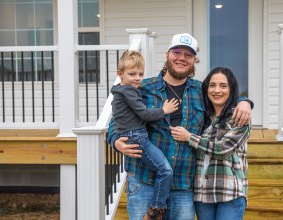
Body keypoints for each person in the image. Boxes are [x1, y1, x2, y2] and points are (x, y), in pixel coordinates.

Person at [108, 33, 252, 220]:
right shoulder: (143, 88)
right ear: (167, 55)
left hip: (183, 185)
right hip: (145, 181)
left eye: (188, 55)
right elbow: (116, 121)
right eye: (177, 52)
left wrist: (244, 101)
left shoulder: (201, 91)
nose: (182, 58)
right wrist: (115, 141)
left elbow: (223, 96)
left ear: (193, 61)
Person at [170, 67, 251, 220]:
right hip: (203, 195)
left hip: (230, 195)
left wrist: (189, 137)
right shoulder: (202, 116)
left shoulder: (239, 118)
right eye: (212, 85)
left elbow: (222, 149)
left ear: (231, 89)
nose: (217, 90)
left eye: (223, 85)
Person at [110, 51, 179, 220]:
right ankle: (157, 208)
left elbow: (122, 117)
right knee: (165, 171)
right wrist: (164, 110)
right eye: (132, 74)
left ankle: (157, 205)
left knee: (164, 170)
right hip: (138, 137)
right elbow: (144, 114)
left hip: (134, 135)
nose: (137, 78)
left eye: (140, 74)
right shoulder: (130, 91)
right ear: (120, 74)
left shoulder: (123, 91)